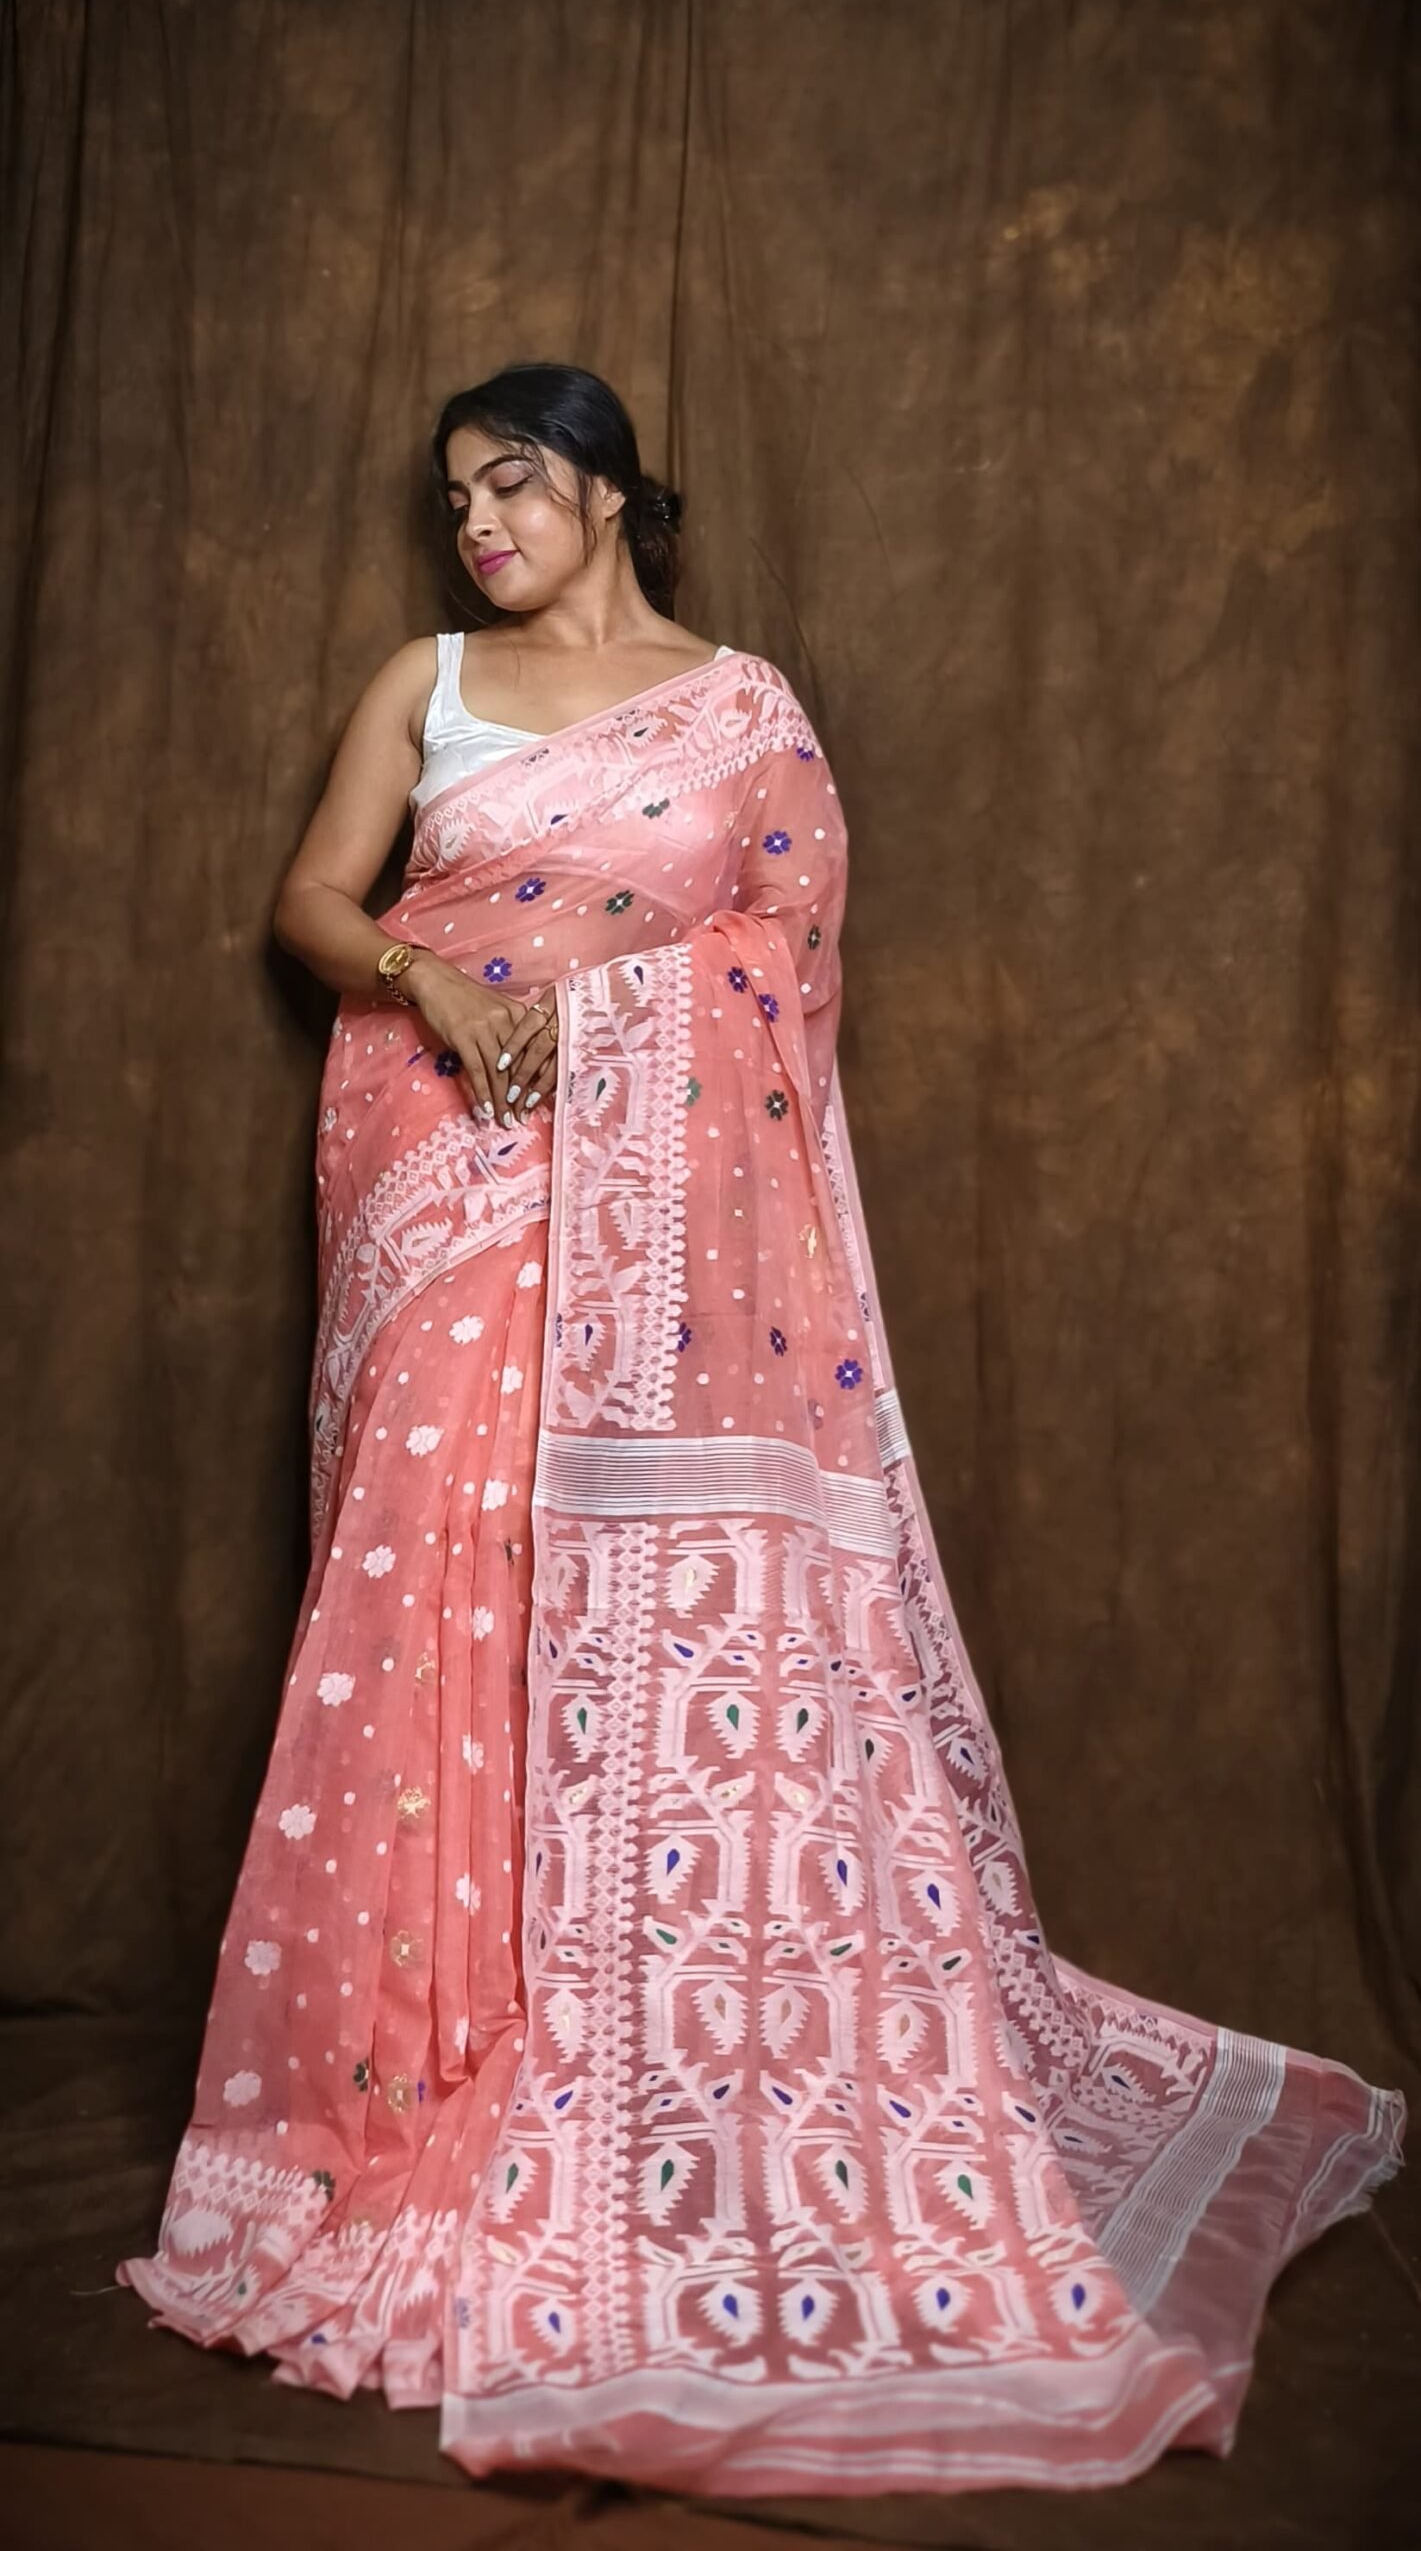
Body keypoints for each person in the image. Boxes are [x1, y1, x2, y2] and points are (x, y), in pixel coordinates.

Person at [116, 362, 1407, 2498]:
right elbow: (313, 904)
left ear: (609, 489)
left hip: (661, 1244)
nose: (477, 525)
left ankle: (594, 2049)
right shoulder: (423, 681)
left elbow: (787, 978)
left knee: (583, 1608)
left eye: (512, 484)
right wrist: (437, 982)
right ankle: (393, 2084)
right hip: (440, 1189)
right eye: (455, 498)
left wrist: (621, 1031)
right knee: (428, 1605)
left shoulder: (744, 715)